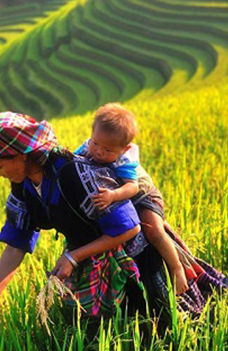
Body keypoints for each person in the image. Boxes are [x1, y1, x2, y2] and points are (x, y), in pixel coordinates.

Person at [0, 111, 228, 338]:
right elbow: (16, 243)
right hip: (93, 259)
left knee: (167, 326)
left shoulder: (75, 174)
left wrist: (73, 255)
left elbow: (129, 228)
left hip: (135, 259)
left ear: (21, 155)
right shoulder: (22, 188)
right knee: (110, 335)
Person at [75, 103, 188, 295]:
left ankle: (177, 268)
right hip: (122, 201)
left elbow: (132, 187)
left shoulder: (124, 160)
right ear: (92, 134)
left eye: (108, 150)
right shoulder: (90, 145)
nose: (99, 152)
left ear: (124, 149)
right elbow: (74, 161)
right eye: (96, 144)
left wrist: (112, 196)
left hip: (142, 196)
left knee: (153, 231)